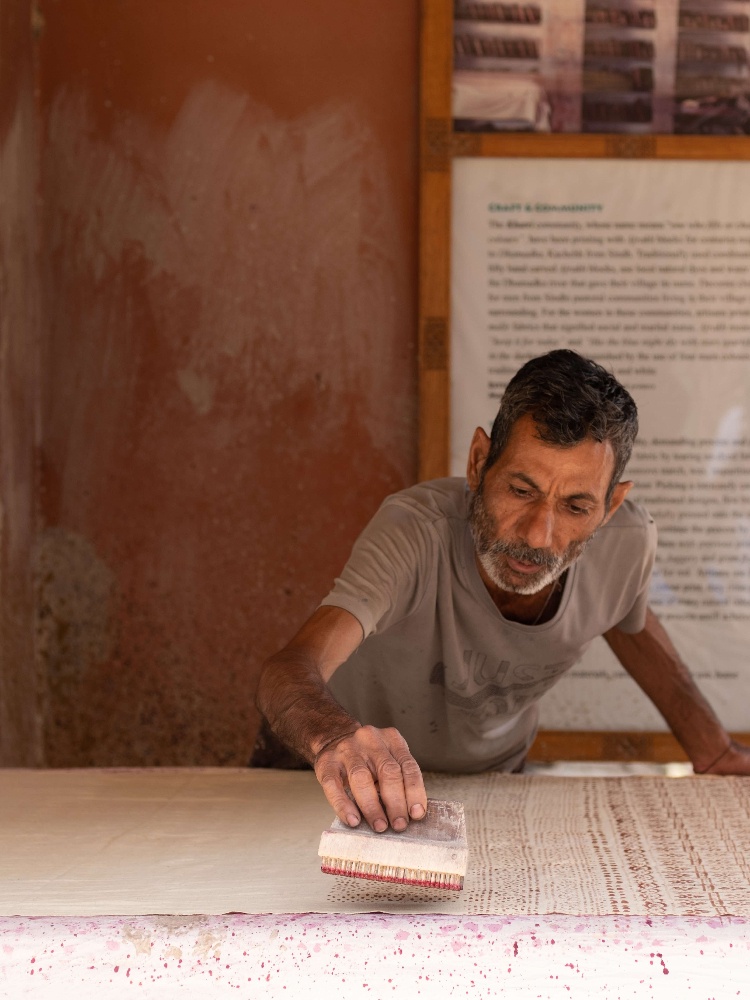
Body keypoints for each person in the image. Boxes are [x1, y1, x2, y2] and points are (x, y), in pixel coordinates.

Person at [255, 350, 750, 835]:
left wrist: (712, 750)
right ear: (478, 464)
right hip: (332, 773)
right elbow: (289, 669)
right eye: (521, 491)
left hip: (494, 783)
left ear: (611, 505)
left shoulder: (626, 544)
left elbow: (629, 625)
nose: (538, 535)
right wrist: (335, 739)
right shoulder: (416, 531)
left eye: (577, 507)